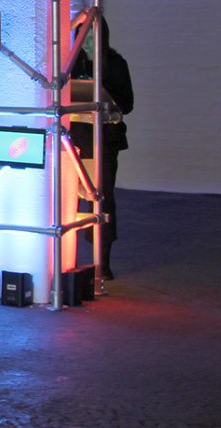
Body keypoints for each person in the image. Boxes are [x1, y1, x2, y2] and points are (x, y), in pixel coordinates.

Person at [70, 14, 134, 280]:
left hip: (104, 140)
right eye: (82, 35)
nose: (87, 41)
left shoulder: (116, 64)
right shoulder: (70, 63)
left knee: (102, 199)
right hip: (75, 139)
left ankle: (102, 262)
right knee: (69, 199)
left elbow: (128, 105)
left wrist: (104, 95)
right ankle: (65, 256)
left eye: (92, 34)